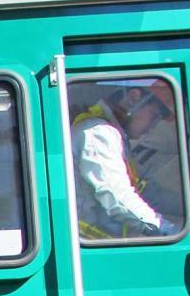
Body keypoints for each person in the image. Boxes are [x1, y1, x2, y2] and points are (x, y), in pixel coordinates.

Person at [71, 82, 181, 240]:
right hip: (89, 249)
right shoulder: (98, 133)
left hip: (99, 247)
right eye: (154, 116)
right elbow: (117, 198)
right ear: (133, 98)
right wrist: (165, 229)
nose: (153, 126)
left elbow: (146, 191)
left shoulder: (115, 136)